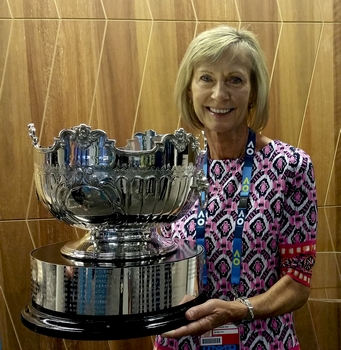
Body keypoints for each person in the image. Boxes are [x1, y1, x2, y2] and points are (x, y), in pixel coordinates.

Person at [154, 25, 318, 350]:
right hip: (180, 342)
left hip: (264, 342)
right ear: (189, 89)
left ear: (253, 91)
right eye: (206, 78)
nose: (219, 94)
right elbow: (141, 249)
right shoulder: (168, 169)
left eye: (235, 79)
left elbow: (298, 281)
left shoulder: (290, 166)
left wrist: (238, 311)